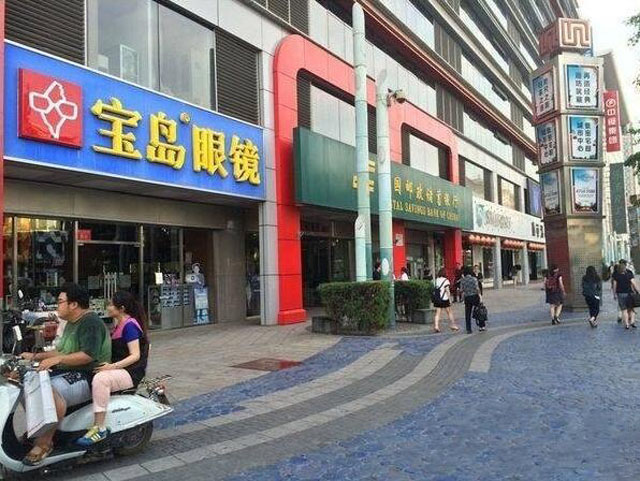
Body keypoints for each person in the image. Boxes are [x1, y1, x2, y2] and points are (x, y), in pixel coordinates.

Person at [20, 283, 111, 465]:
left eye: (60, 302)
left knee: (48, 392)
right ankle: (41, 429)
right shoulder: (71, 323)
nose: (57, 306)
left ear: (73, 304)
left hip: (87, 375)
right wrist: (34, 356)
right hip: (69, 371)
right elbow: (61, 352)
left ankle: (45, 443)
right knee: (27, 383)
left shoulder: (90, 322)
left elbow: (88, 355)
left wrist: (57, 360)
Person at [76, 291, 149, 446]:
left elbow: (135, 355)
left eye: (110, 305)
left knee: (101, 379)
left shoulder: (129, 326)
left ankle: (99, 427)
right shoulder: (118, 325)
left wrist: (111, 367)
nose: (107, 307)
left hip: (130, 372)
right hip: (119, 370)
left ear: (121, 308)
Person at [612, 262, 638, 329]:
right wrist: (638, 291)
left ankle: (626, 324)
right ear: (625, 268)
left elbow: (614, 286)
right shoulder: (629, 275)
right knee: (631, 308)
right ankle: (632, 322)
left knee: (624, 309)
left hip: (620, 294)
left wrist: (614, 294)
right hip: (630, 294)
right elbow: (634, 283)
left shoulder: (616, 276)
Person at [433, 268, 459, 333]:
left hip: (438, 298)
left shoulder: (436, 280)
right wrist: (450, 300)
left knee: (437, 313)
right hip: (445, 298)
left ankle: (436, 326)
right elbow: (447, 291)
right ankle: (453, 325)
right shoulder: (446, 280)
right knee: (449, 312)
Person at [460, 266, 483, 333]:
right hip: (475, 297)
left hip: (467, 298)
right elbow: (477, 289)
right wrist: (480, 296)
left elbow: (461, 290)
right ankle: (481, 326)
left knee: (468, 314)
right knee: (479, 311)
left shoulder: (463, 280)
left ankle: (468, 329)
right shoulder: (474, 279)